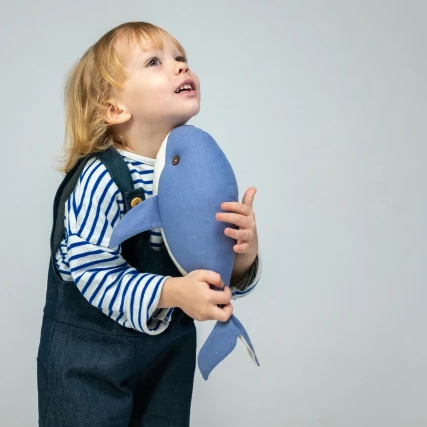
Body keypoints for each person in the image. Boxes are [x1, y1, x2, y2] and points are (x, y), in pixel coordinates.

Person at [37, 21, 262, 426]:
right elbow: (89, 269)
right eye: (155, 62)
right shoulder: (101, 177)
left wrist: (243, 253)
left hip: (166, 358)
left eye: (181, 59)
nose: (180, 67)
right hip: (88, 361)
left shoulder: (195, 172)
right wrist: (174, 291)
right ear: (115, 108)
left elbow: (206, 265)